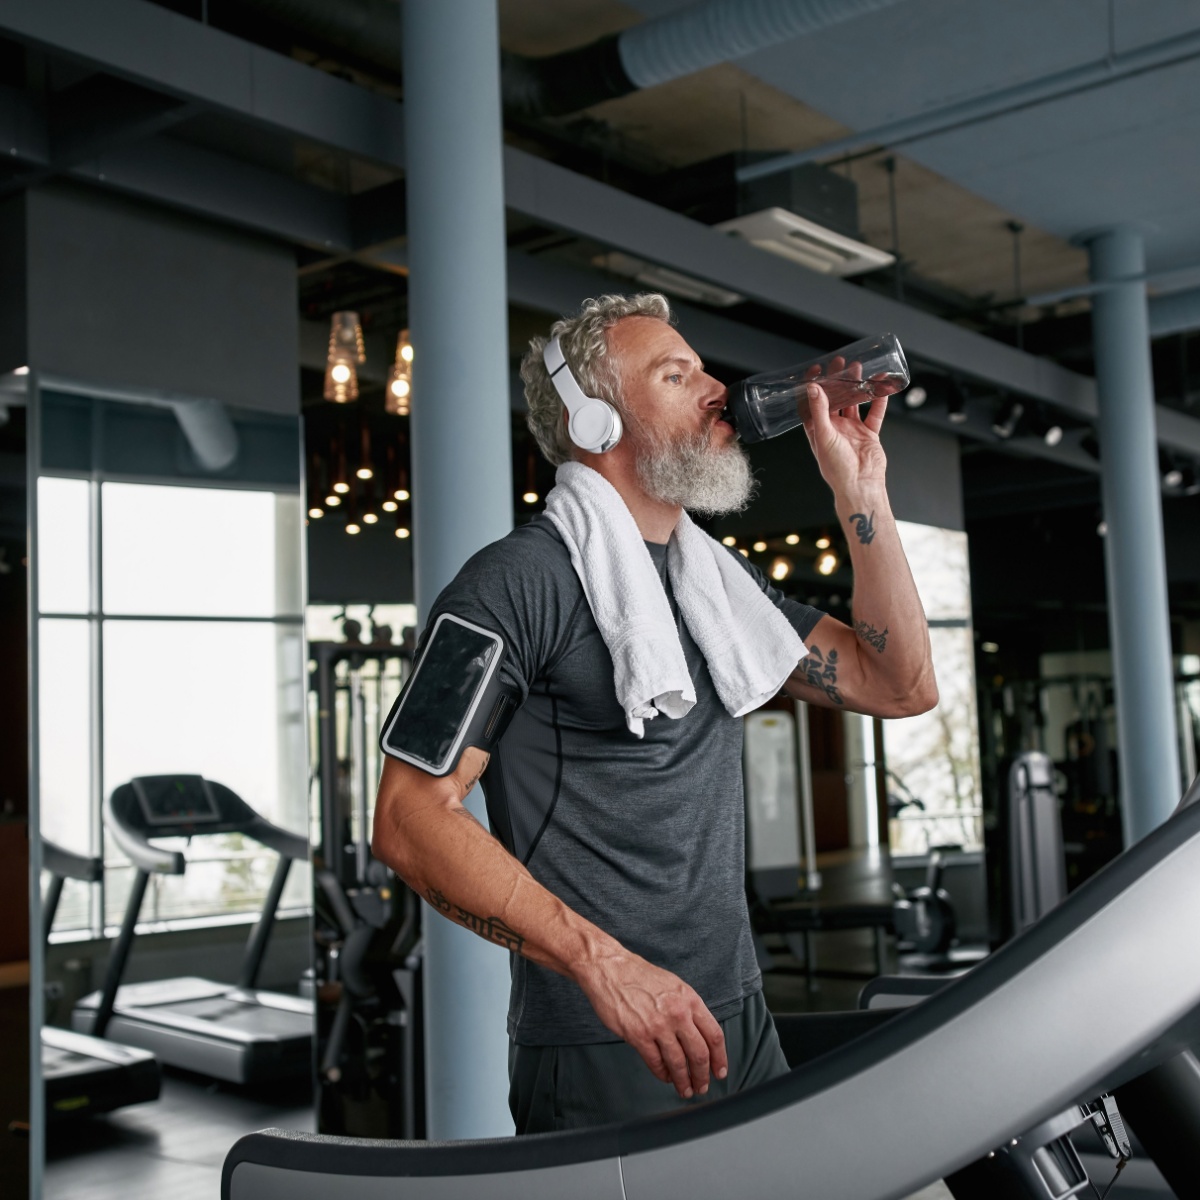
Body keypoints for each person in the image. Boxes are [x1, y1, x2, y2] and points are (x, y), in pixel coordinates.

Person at [371, 293, 937, 1134]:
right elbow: (408, 817)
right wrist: (602, 965)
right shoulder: (514, 584)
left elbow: (899, 686)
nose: (718, 390)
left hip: (738, 1020)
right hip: (606, 1041)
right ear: (593, 421)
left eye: (704, 368)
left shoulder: (718, 589)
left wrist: (862, 491)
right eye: (677, 375)